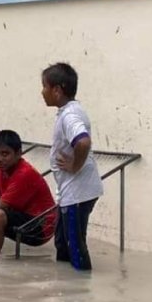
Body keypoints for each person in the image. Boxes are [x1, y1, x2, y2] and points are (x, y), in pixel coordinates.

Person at [41, 63, 102, 270]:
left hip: (77, 193)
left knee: (74, 247)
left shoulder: (70, 116)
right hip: (70, 192)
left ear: (57, 90)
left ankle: (80, 295)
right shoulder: (67, 111)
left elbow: (82, 142)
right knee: (62, 243)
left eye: (44, 87)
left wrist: (75, 166)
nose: (42, 92)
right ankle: (67, 292)